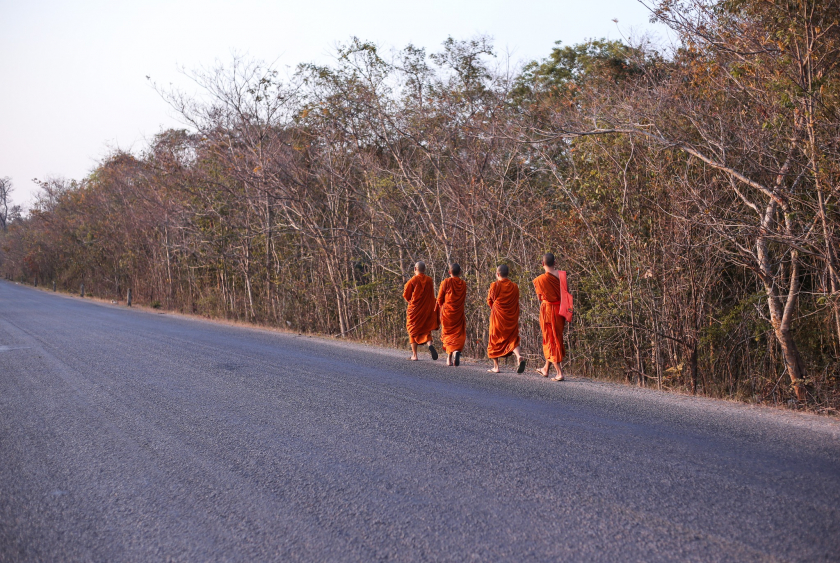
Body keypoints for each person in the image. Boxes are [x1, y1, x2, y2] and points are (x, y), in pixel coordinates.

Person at [532, 252, 573, 381]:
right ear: (555, 263)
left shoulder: (540, 280)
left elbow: (540, 297)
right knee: (555, 337)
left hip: (548, 310)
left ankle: (559, 372)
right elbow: (566, 293)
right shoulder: (562, 275)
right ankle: (545, 369)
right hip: (560, 310)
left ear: (542, 264)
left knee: (551, 340)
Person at [486, 264, 526, 374]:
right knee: (512, 339)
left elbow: (490, 301)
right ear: (507, 274)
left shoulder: (495, 285)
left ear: (498, 274)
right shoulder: (514, 286)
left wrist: (497, 308)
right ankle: (518, 356)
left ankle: (496, 367)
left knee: (494, 340)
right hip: (511, 318)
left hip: (498, 318)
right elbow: (515, 301)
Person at [403, 261, 439, 361]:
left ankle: (414, 355)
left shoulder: (413, 280)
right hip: (426, 309)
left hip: (415, 310)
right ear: (425, 269)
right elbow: (431, 295)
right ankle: (430, 345)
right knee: (426, 328)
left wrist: (412, 303)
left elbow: (406, 295)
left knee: (412, 330)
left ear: (415, 269)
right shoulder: (429, 280)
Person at [437, 263, 467, 366]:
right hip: (458, 313)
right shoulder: (463, 284)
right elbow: (462, 299)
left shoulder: (445, 282)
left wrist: (442, 308)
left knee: (448, 336)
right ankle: (455, 352)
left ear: (449, 272)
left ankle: (450, 357)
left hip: (447, 314)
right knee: (457, 335)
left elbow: (440, 299)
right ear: (460, 273)